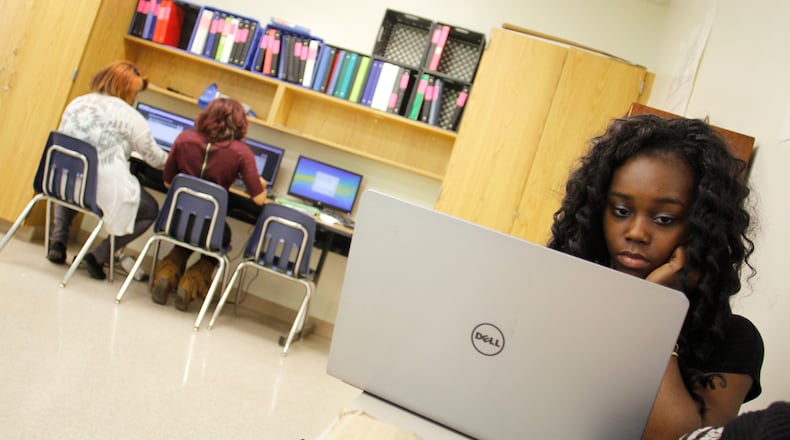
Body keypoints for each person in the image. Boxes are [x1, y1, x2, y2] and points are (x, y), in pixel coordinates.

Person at [547, 114, 764, 439]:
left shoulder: (734, 340)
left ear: (703, 229)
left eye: (664, 219)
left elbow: (680, 437)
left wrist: (655, 312)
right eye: (621, 211)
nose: (636, 232)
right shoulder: (557, 298)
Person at [48, 61, 167, 279]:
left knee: (75, 178)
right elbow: (155, 158)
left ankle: (58, 241)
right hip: (97, 190)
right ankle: (97, 256)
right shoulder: (130, 117)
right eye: (135, 92)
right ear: (127, 90)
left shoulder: (77, 103)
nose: (136, 98)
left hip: (58, 181)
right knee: (149, 208)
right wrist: (175, 160)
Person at [151, 98, 267, 311]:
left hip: (173, 220)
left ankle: (166, 273)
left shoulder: (184, 138)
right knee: (221, 235)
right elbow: (259, 199)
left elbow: (168, 182)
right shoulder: (241, 152)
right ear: (240, 123)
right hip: (210, 228)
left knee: (187, 233)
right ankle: (190, 282)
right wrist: (260, 183)